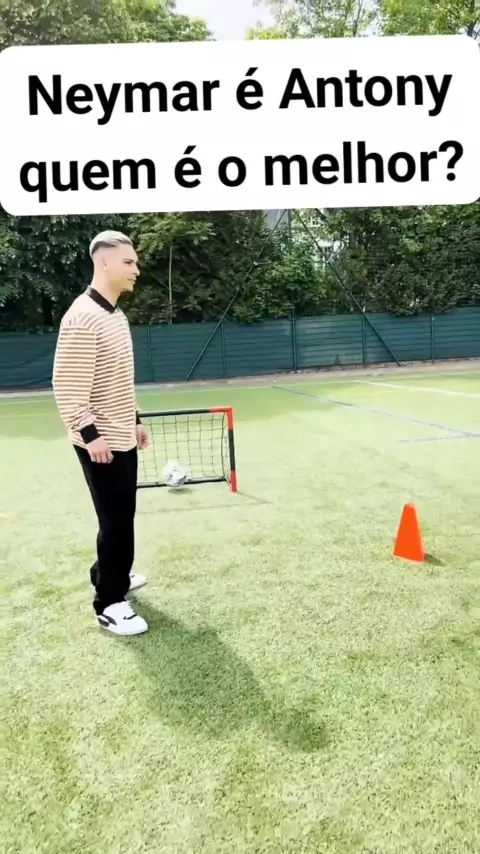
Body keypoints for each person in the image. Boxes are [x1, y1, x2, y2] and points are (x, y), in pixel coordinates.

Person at [52, 230, 150, 636]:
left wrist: (136, 419)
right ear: (104, 262)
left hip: (122, 435)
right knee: (115, 521)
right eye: (128, 262)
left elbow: (119, 380)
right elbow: (66, 385)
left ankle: (110, 573)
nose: (136, 270)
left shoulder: (115, 315)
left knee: (122, 516)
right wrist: (91, 435)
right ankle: (109, 602)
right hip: (100, 442)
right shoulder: (82, 317)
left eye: (136, 262)